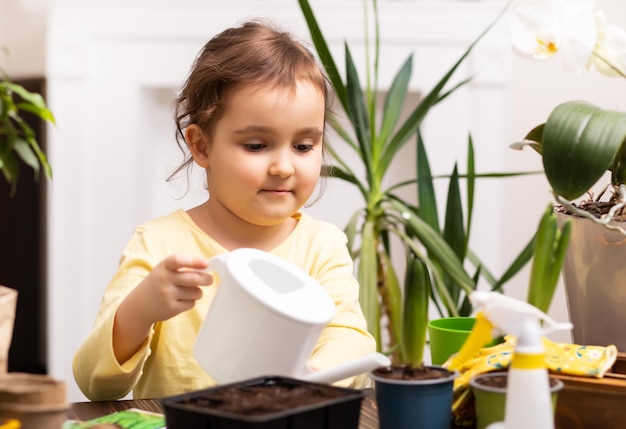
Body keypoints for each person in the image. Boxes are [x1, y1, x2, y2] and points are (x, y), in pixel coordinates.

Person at [73, 20, 377, 401]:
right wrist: (139, 311)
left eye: (303, 146)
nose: (284, 166)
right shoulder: (159, 244)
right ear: (201, 147)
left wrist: (310, 378)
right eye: (255, 145)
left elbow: (351, 340)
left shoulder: (322, 245)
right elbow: (94, 382)